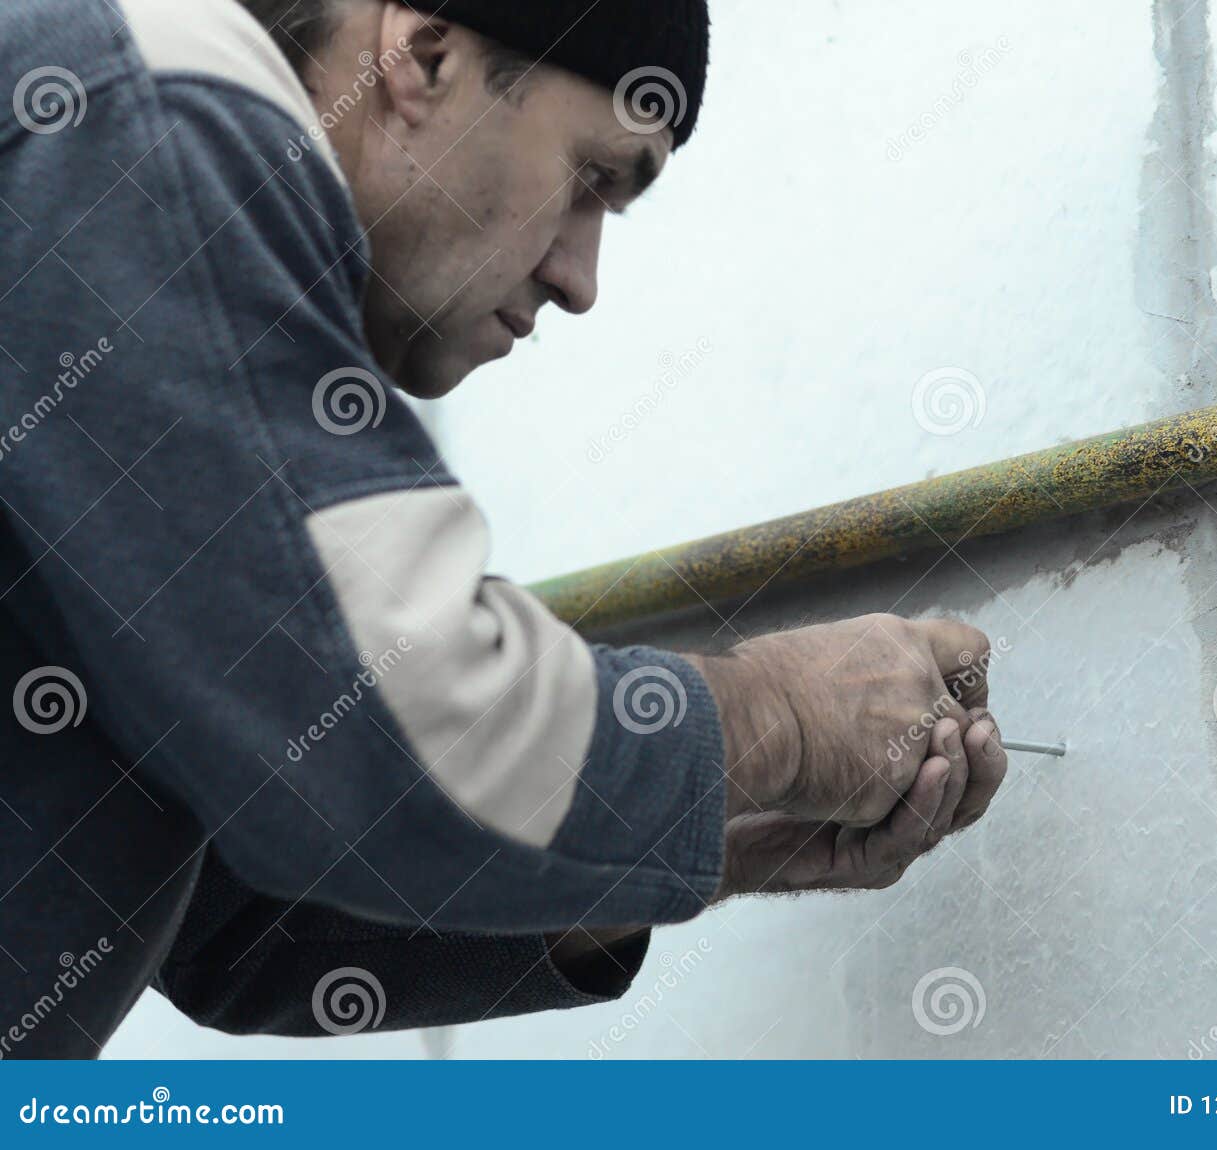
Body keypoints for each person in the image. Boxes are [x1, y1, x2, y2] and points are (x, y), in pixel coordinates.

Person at [0, 0, 1007, 1057]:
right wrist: (779, 718)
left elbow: (243, 920)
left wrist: (717, 840)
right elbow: (380, 732)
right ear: (424, 53)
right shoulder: (136, 119)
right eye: (591, 180)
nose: (580, 279)